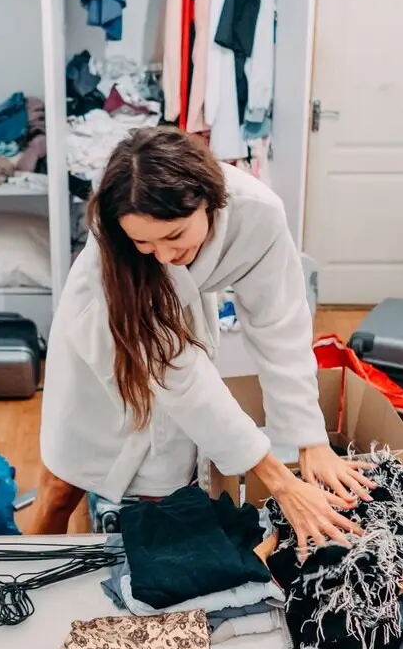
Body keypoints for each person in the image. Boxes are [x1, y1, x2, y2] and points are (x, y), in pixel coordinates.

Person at [31, 127, 374, 555]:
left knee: (165, 492)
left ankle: (145, 578)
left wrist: (312, 439)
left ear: (209, 201)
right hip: (105, 332)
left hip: (180, 331)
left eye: (174, 236)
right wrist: (281, 483)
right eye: (143, 242)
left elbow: (279, 323)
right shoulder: (116, 256)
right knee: (62, 483)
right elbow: (179, 375)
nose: (163, 257)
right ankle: (26, 574)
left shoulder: (258, 215)